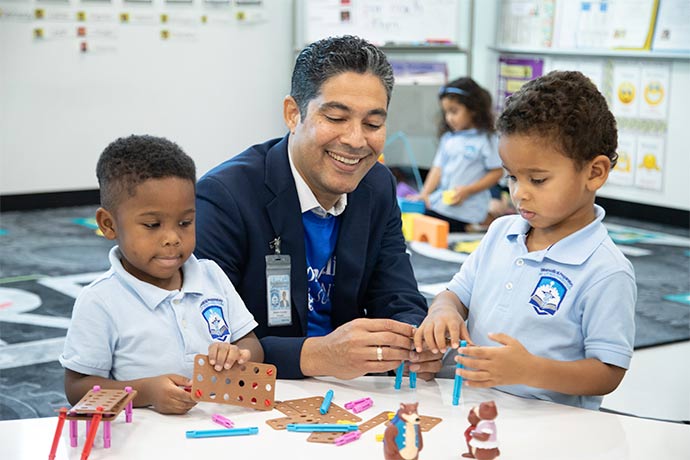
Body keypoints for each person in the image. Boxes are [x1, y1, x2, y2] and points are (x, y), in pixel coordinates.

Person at [195, 35, 440, 380]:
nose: (356, 140)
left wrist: (412, 341)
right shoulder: (225, 197)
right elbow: (205, 336)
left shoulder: (376, 185)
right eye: (337, 118)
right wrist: (317, 355)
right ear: (293, 114)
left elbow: (397, 293)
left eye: (372, 124)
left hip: (354, 392)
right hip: (260, 392)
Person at [413, 70, 636, 410]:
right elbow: (456, 293)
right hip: (469, 406)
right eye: (512, 177)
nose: (520, 194)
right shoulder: (501, 233)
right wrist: (443, 311)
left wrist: (532, 370)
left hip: (547, 426)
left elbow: (608, 371)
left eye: (538, 179)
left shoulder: (606, 270)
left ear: (595, 172)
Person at [60, 135, 263, 414]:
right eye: (153, 224)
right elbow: (77, 388)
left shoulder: (211, 276)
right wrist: (145, 392)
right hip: (144, 439)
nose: (172, 238)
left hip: (220, 429)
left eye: (185, 222)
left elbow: (250, 342)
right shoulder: (100, 301)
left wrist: (241, 355)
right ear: (109, 225)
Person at [410, 77, 503, 232]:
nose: (449, 118)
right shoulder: (448, 139)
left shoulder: (487, 139)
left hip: (468, 211)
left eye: (454, 111)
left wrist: (468, 190)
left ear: (473, 109)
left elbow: (497, 172)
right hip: (442, 204)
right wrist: (424, 194)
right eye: (446, 112)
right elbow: (437, 169)